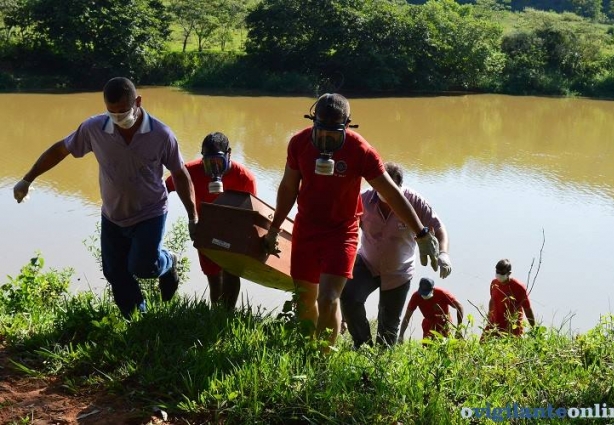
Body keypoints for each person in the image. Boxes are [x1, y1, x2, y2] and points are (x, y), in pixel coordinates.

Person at [262, 93, 440, 346]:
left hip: (341, 233)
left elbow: (390, 192)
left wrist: (421, 233)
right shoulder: (299, 143)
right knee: (304, 297)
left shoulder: (361, 151)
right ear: (313, 122)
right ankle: (307, 353)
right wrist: (273, 229)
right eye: (320, 131)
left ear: (347, 126)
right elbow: (288, 188)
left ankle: (323, 361)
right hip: (306, 229)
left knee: (328, 298)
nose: (324, 139)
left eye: (333, 134)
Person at [12, 77, 198, 319]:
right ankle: (136, 319)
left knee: (142, 266)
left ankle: (168, 261)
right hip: (113, 214)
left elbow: (180, 174)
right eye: (111, 112)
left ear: (138, 102)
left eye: (123, 111)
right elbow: (60, 150)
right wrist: (28, 179)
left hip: (150, 211)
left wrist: (193, 216)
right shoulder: (94, 129)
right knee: (114, 272)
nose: (118, 118)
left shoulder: (161, 134)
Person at [340, 162, 452, 349]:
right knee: (349, 298)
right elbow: (347, 226)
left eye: (392, 189)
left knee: (388, 327)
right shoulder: (365, 200)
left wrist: (443, 254)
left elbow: (439, 228)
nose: (388, 194)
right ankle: (362, 345)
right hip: (367, 263)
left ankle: (381, 362)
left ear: (399, 187)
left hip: (399, 271)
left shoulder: (414, 202)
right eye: (383, 188)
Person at [166, 132, 257, 310]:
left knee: (231, 274)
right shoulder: (191, 171)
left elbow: (252, 213)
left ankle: (227, 314)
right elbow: (166, 187)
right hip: (205, 230)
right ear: (202, 159)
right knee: (214, 277)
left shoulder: (245, 178)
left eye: (219, 162)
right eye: (209, 163)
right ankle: (216, 313)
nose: (214, 168)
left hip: (233, 231)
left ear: (229, 154)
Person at [482, 258, 536, 338]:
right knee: (483, 344)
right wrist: (489, 317)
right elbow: (492, 300)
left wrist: (534, 329)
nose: (499, 275)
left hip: (511, 327)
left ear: (509, 273)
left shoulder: (519, 287)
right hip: (494, 325)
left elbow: (527, 309)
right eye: (497, 272)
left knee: (510, 349)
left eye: (502, 273)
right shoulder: (494, 284)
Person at [399, 277, 464, 342]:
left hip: (444, 323)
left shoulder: (442, 293)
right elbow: (407, 317)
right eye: (423, 293)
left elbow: (459, 307)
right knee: (427, 347)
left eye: (426, 293)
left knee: (445, 345)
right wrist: (401, 335)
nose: (425, 296)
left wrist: (459, 328)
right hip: (428, 324)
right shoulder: (416, 296)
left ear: (432, 289)